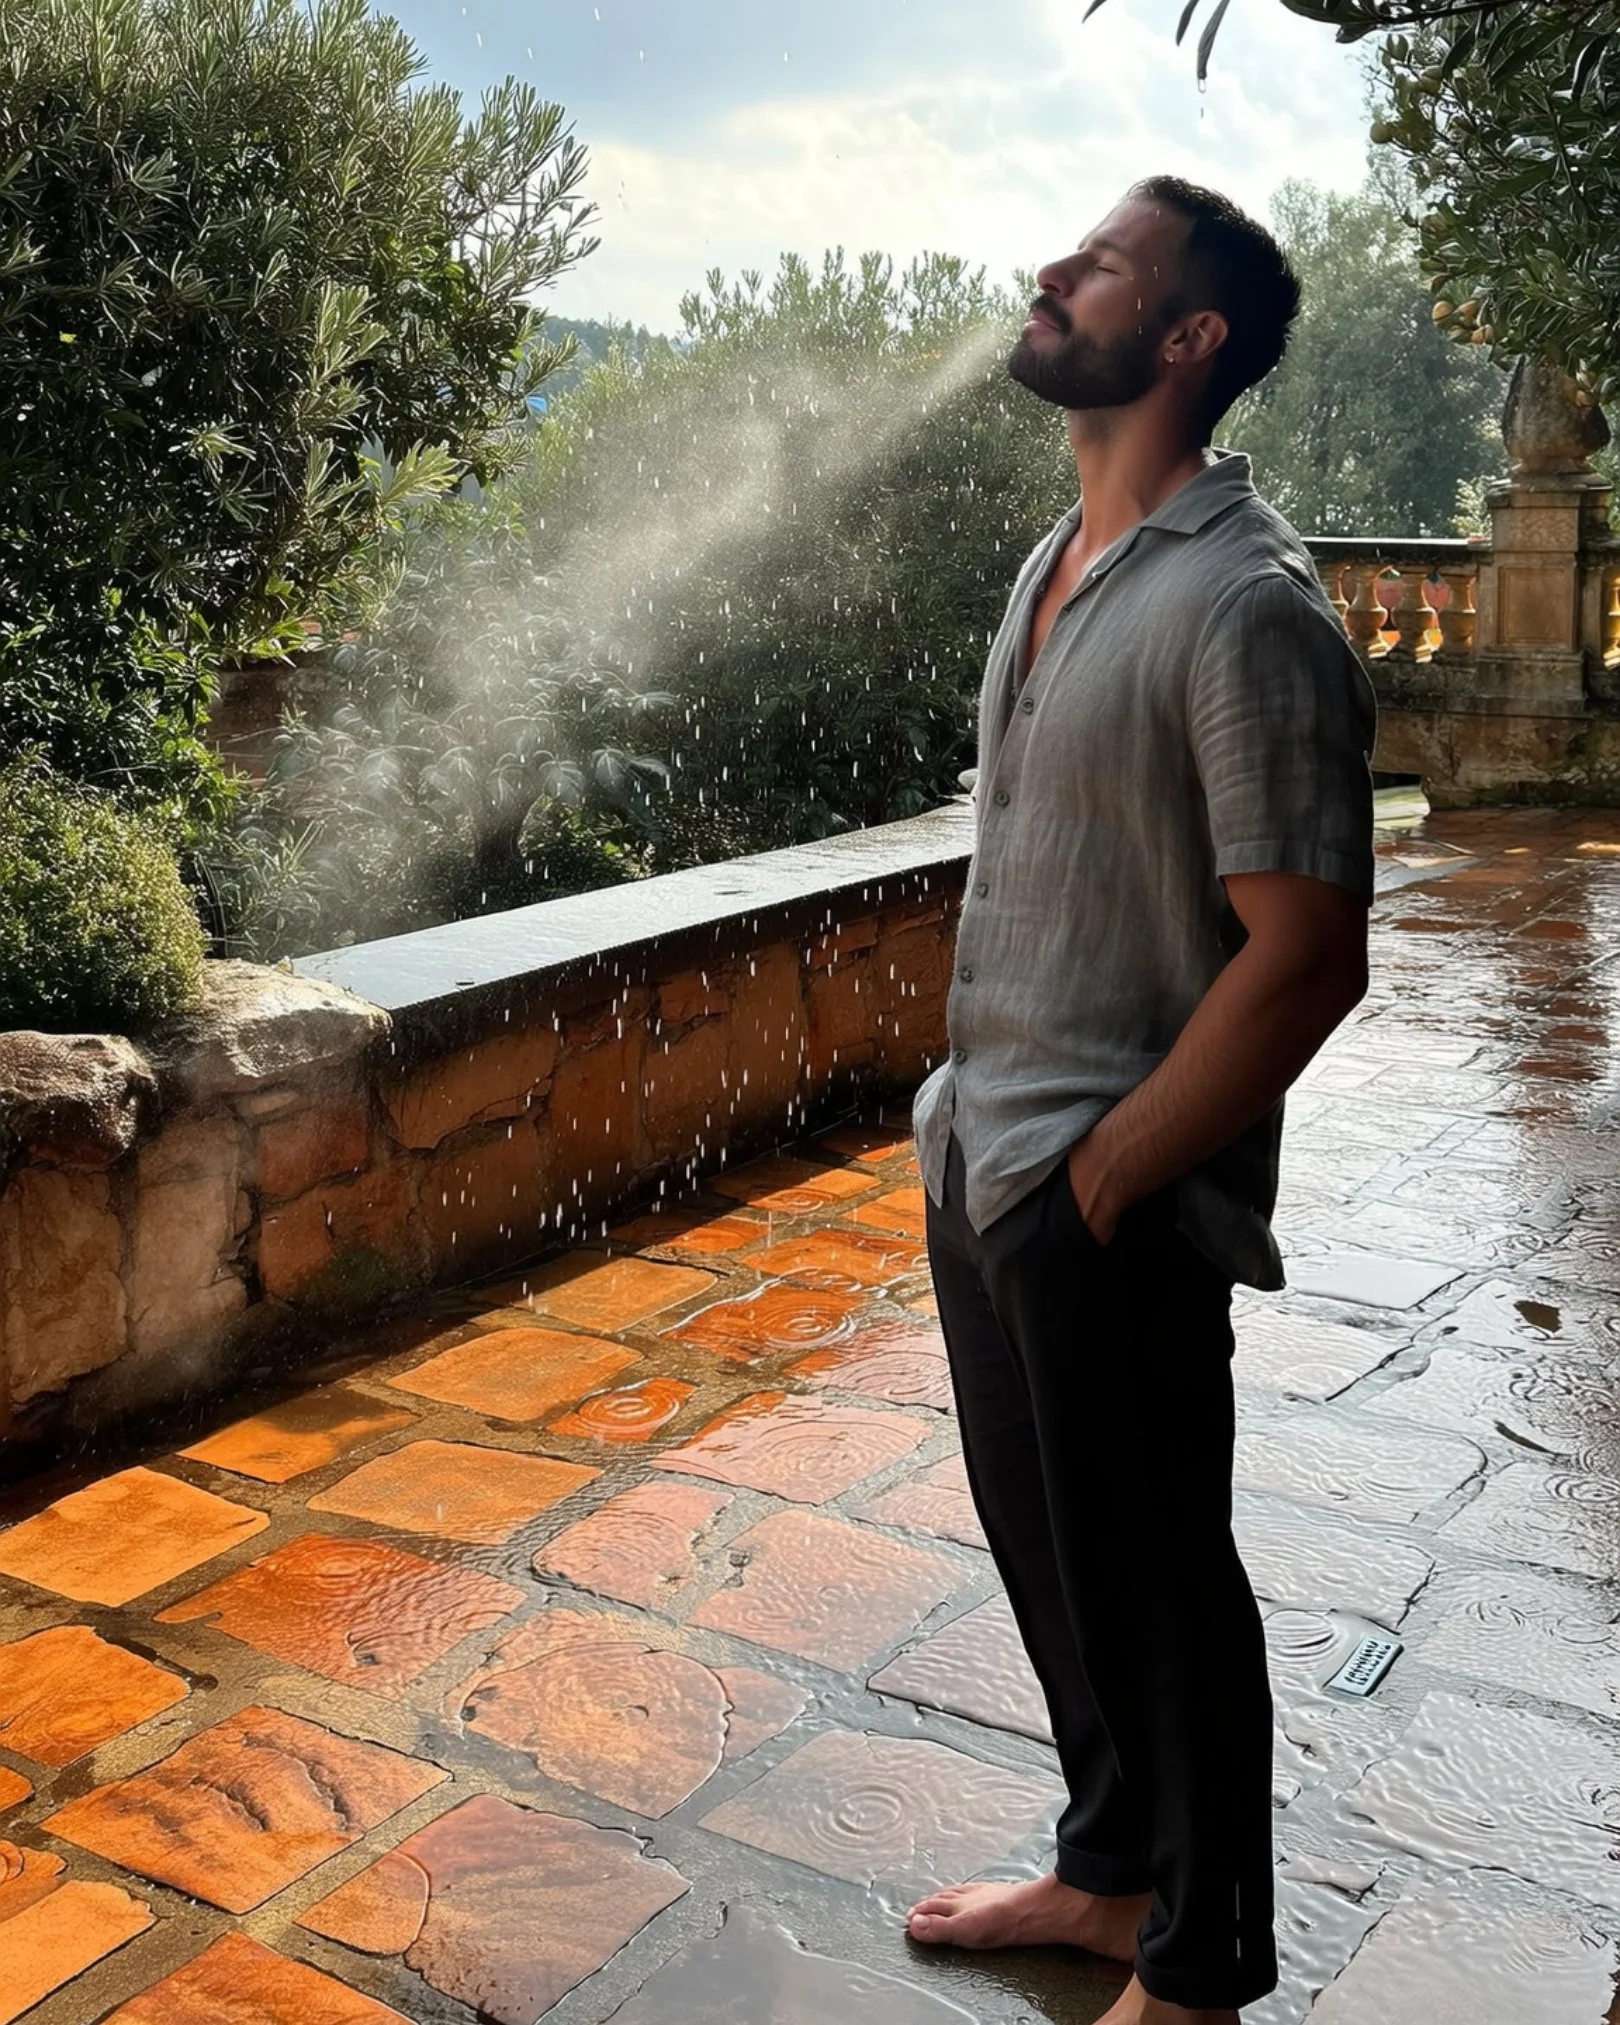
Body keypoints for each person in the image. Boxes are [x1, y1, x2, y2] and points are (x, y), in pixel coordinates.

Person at [906, 178, 1376, 2025]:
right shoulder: (1056, 565)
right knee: (1059, 1556)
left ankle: (1202, 1967)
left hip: (1107, 1191)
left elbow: (1310, 953)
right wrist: (987, 1147)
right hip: (985, 1154)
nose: (1051, 271)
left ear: (1187, 341)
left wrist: (1110, 1176)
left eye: (1101, 265)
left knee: (1171, 1584)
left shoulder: (1244, 610)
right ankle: (1111, 1876)